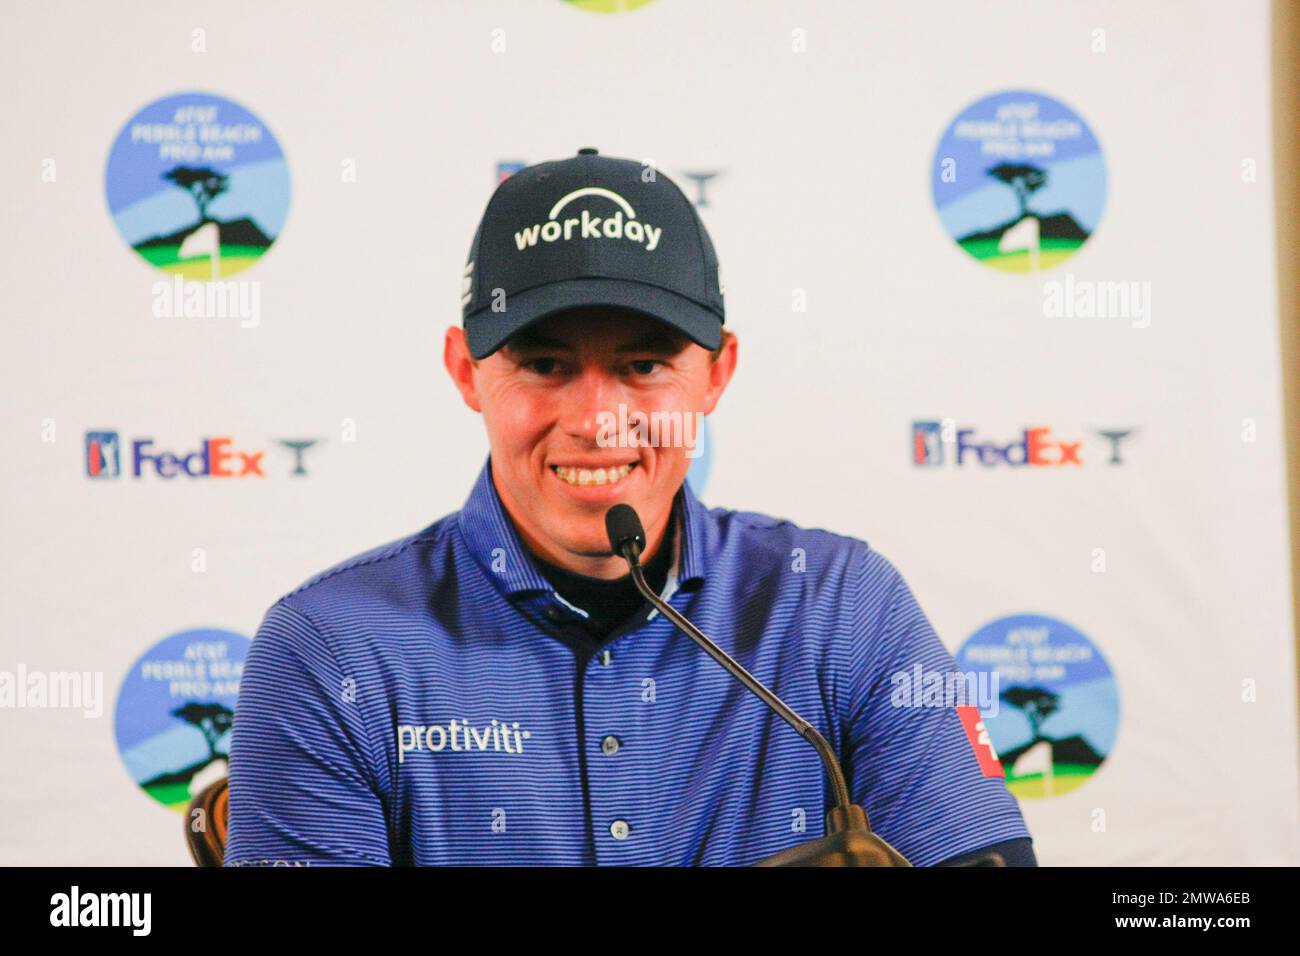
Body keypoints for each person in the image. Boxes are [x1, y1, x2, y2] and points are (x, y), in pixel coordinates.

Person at [224, 148, 1035, 866]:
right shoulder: (327, 652)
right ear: (465, 372)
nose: (597, 418)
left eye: (645, 365)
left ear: (717, 375)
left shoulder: (842, 604)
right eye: (543, 364)